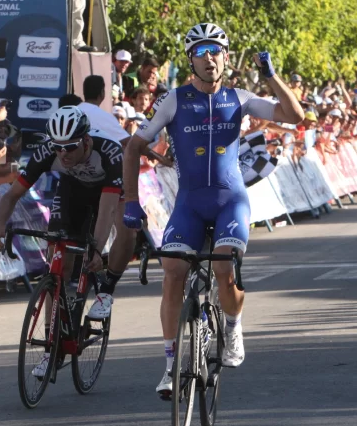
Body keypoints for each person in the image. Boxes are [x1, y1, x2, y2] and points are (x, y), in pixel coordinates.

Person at [121, 23, 304, 397]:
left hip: (229, 200)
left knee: (223, 268)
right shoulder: (173, 99)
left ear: (225, 57)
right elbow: (131, 147)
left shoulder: (239, 97)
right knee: (172, 272)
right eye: (201, 52)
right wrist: (130, 201)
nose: (209, 58)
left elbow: (294, 115)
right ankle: (171, 366)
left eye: (215, 51)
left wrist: (271, 77)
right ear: (191, 59)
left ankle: (234, 328)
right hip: (189, 202)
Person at [0, 106, 125, 376]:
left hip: (105, 194)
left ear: (86, 141)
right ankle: (52, 345)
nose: (63, 153)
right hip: (72, 191)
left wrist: (97, 250)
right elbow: (11, 195)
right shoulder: (49, 152)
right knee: (58, 261)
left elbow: (108, 209)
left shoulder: (109, 153)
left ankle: (104, 287)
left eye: (71, 147)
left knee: (124, 227)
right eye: (58, 147)